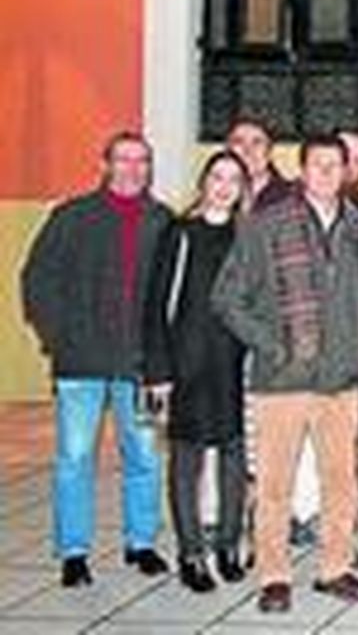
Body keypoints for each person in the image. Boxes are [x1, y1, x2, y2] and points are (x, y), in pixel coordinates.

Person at [213, 133, 358, 614]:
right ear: (302, 170)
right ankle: (273, 575)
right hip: (283, 381)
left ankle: (335, 567)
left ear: (350, 171)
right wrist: (273, 344)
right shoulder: (265, 226)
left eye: (338, 165)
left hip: (341, 380)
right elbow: (226, 298)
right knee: (273, 484)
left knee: (341, 481)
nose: (330, 173)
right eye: (320, 165)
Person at [21, 132, 173, 588]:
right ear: (105, 164)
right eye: (123, 159)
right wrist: (59, 338)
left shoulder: (163, 221)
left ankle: (141, 542)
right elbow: (37, 280)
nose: (132, 168)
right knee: (74, 456)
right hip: (80, 364)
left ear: (150, 168)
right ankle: (73, 551)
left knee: (145, 456)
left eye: (141, 161)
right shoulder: (71, 217)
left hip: (142, 367)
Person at [141, 150, 251, 593]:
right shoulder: (179, 233)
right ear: (204, 183)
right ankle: (191, 552)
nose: (224, 186)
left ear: (243, 189)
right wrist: (158, 370)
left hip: (235, 363)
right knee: (186, 461)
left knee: (234, 457)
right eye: (217, 177)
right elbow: (156, 305)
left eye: (234, 179)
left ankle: (228, 545)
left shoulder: (248, 236)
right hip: (187, 363)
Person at [226, 117, 295, 212]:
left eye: (257, 142)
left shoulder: (292, 200)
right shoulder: (215, 198)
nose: (247, 150)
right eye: (239, 141)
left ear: (269, 150)